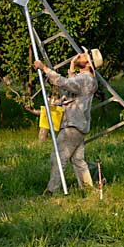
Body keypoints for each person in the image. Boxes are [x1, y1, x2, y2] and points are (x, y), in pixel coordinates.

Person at [34, 48, 101, 194]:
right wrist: (72, 67)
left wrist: (44, 68)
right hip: (79, 125)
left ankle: (52, 191)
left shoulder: (85, 79)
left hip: (73, 125)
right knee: (77, 160)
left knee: (58, 157)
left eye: (83, 56)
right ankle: (88, 189)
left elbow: (64, 83)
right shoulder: (88, 79)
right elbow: (72, 89)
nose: (79, 55)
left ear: (88, 64)